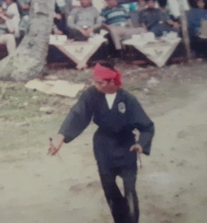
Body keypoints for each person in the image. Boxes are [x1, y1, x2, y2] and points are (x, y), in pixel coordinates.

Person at [49, 62, 155, 223]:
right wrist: (60, 138)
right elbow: (77, 115)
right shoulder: (91, 95)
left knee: (130, 189)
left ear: (112, 82)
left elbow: (147, 126)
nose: (95, 85)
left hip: (127, 146)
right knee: (109, 188)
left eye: (100, 82)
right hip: (103, 145)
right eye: (94, 81)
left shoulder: (127, 100)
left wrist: (141, 143)